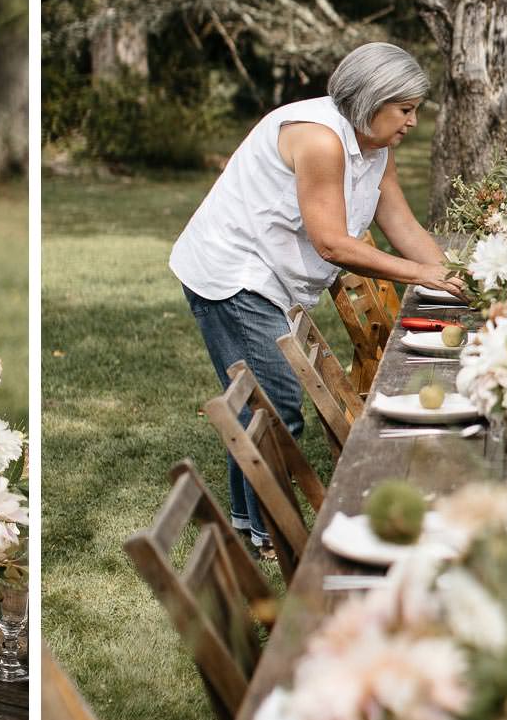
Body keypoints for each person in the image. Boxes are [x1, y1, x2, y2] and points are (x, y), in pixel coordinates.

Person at [170, 41, 460, 559]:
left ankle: (250, 522)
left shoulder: (375, 146)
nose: (413, 122)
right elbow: (331, 243)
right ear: (371, 101)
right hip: (232, 273)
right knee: (274, 405)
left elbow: (402, 224)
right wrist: (422, 275)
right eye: (405, 109)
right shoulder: (321, 140)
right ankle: (273, 535)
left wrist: (456, 278)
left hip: (266, 274)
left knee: (257, 404)